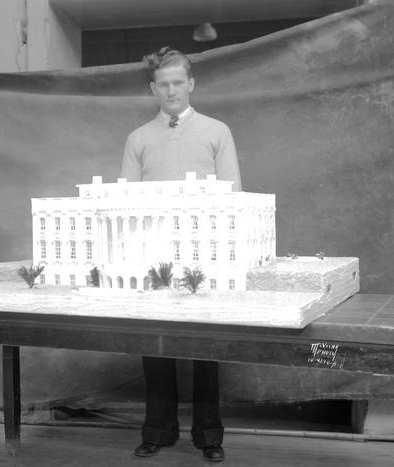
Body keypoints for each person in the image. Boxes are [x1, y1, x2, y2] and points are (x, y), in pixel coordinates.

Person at [120, 46, 241, 463]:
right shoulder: (138, 139)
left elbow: (233, 196)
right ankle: (158, 431)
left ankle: (208, 435)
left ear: (191, 84)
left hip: (204, 254)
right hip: (153, 257)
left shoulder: (216, 131)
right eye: (163, 84)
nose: (171, 90)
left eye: (178, 82)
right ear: (153, 88)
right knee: (155, 342)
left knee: (206, 345)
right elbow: (126, 204)